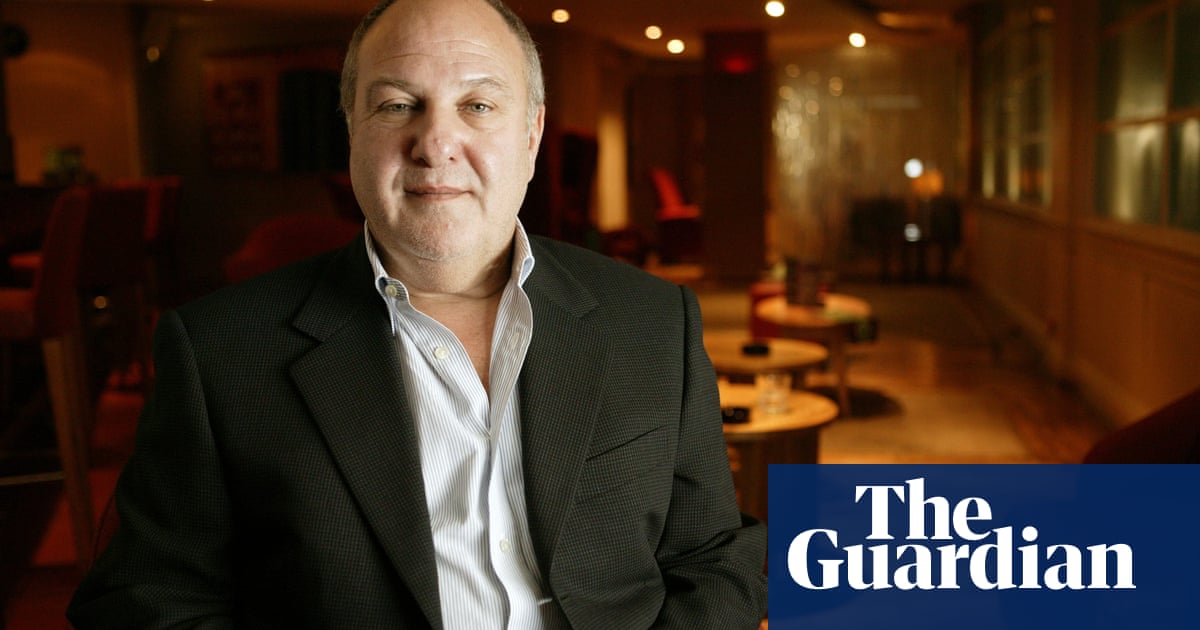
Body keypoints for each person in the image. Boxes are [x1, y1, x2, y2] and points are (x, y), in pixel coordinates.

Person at [67, 0, 767, 627]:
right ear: (353, 130)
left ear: (531, 134)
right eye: (398, 104)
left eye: (478, 105)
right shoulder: (218, 351)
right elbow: (141, 602)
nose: (435, 143)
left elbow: (715, 555)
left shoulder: (655, 321)